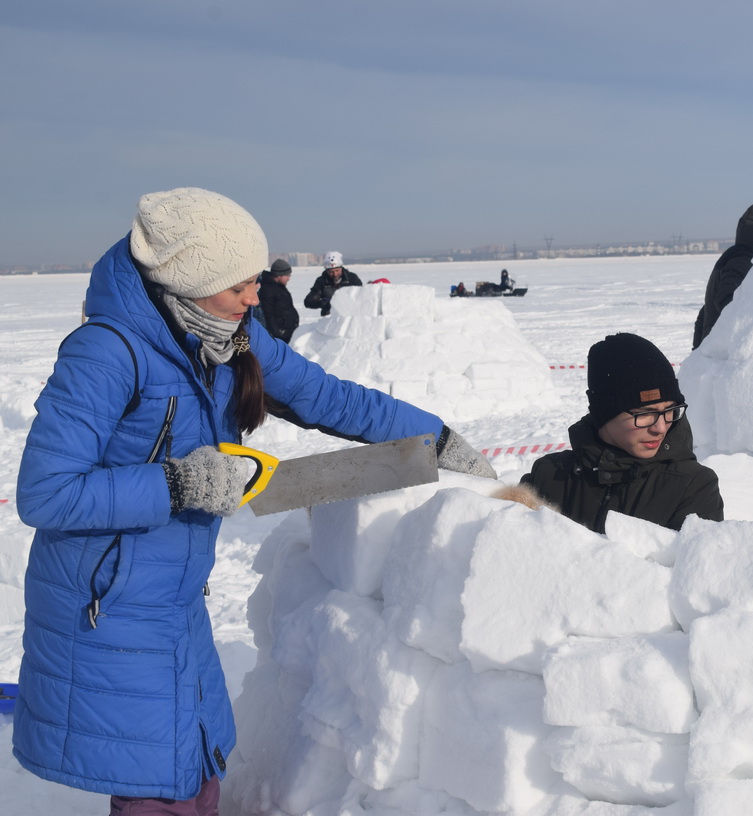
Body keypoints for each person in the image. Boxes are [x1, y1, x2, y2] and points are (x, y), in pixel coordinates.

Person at [13, 188, 495, 809]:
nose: (254, 296)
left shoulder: (229, 338)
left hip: (174, 596)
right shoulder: (107, 352)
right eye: (238, 284)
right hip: (106, 609)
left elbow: (330, 399)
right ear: (187, 281)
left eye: (256, 280)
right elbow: (45, 493)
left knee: (197, 763)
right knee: (158, 787)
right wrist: (178, 483)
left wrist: (437, 438)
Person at [519, 332, 723, 533]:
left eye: (670, 411)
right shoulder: (549, 476)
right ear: (605, 413)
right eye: (644, 414)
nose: (660, 428)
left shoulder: (692, 487)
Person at [693, 202, 753, 348]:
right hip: (725, 355)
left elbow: (704, 313)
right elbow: (729, 304)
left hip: (716, 353)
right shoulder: (743, 260)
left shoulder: (738, 256)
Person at [303, 250, 362, 316]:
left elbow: (361, 295)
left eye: (337, 270)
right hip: (329, 318)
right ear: (326, 270)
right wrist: (324, 303)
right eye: (331, 272)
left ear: (341, 268)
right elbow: (308, 301)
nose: (335, 274)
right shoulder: (322, 281)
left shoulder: (352, 278)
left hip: (349, 316)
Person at [257, 258, 299, 342]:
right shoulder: (268, 290)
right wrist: (277, 333)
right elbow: (267, 314)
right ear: (279, 275)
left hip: (286, 333)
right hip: (279, 337)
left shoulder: (279, 287)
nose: (289, 278)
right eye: (287, 275)